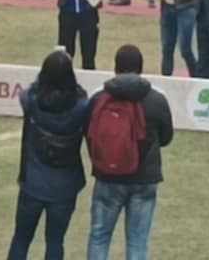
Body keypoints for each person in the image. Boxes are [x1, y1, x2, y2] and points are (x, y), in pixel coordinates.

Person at [83, 44, 174, 260]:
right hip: (144, 178)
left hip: (108, 176)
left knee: (99, 237)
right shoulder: (156, 100)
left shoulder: (99, 99)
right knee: (137, 241)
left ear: (115, 68)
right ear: (140, 68)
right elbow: (166, 138)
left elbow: (89, 133)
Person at [8, 49, 89, 260]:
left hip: (33, 182)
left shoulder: (32, 101)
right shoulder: (80, 106)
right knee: (55, 242)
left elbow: (25, 94)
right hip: (65, 185)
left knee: (21, 239)